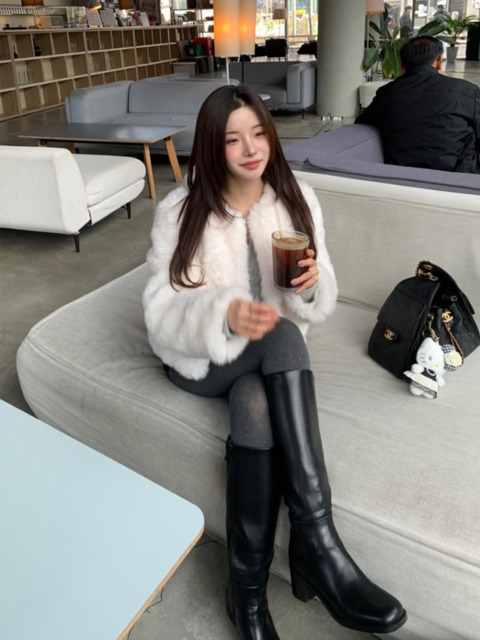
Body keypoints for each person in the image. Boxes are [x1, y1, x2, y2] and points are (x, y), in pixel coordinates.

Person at [143, 84, 407, 640]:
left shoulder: (297, 198)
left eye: (259, 133)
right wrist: (222, 315)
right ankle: (318, 545)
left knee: (256, 401)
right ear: (212, 147)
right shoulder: (180, 211)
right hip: (201, 357)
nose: (250, 149)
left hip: (267, 360)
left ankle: (247, 597)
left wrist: (311, 286)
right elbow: (161, 315)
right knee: (280, 334)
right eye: (232, 139)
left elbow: (321, 286)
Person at [356, 36, 480, 173]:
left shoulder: (387, 93)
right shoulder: (467, 90)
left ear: (402, 66)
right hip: (459, 175)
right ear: (439, 60)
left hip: (400, 174)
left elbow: (361, 125)